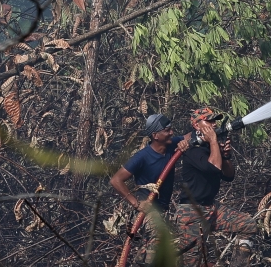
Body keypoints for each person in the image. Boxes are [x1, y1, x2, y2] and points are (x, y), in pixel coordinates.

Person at [173, 107, 256, 252]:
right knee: (190, 265)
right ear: (197, 125)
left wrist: (226, 155)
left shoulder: (210, 145)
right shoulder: (191, 148)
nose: (214, 124)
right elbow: (214, 167)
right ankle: (149, 259)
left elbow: (229, 176)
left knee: (247, 224)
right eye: (209, 121)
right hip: (192, 212)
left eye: (215, 121)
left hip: (210, 208)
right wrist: (213, 141)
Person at [110, 114, 184, 213]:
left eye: (171, 129)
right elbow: (116, 180)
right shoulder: (142, 157)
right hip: (149, 212)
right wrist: (136, 204)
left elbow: (190, 136)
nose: (171, 132)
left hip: (164, 210)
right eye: (167, 130)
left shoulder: (170, 145)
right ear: (155, 135)